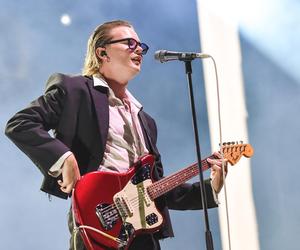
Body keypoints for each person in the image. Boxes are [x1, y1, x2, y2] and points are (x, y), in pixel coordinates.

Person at [5, 20, 226, 250]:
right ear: (102, 53)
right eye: (130, 43)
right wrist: (64, 158)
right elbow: (20, 123)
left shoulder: (145, 120)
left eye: (141, 46)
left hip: (142, 234)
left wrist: (210, 189)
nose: (139, 49)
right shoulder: (75, 90)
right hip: (98, 225)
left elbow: (157, 188)